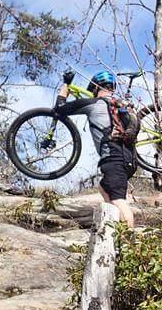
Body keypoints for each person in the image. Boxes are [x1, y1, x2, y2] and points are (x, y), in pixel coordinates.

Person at [55, 69, 136, 229]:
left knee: (119, 200)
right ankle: (116, 231)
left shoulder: (94, 104)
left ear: (95, 87)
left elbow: (60, 109)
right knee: (104, 187)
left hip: (114, 159)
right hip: (128, 159)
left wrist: (65, 87)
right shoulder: (119, 106)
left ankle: (130, 243)